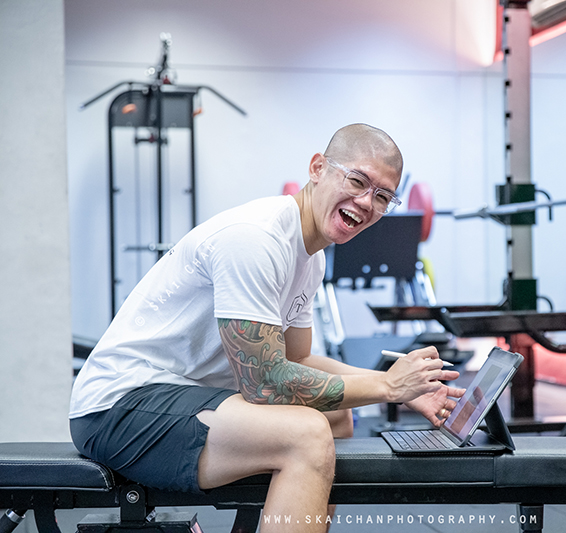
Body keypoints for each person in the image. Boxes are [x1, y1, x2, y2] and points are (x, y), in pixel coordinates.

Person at [69, 123, 464, 532]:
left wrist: (401, 385)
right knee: (306, 433)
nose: (366, 202)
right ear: (317, 168)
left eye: (382, 197)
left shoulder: (311, 257)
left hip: (178, 398)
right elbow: (266, 383)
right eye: (357, 181)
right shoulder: (255, 239)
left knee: (337, 419)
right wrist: (386, 389)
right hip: (117, 407)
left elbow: (299, 360)